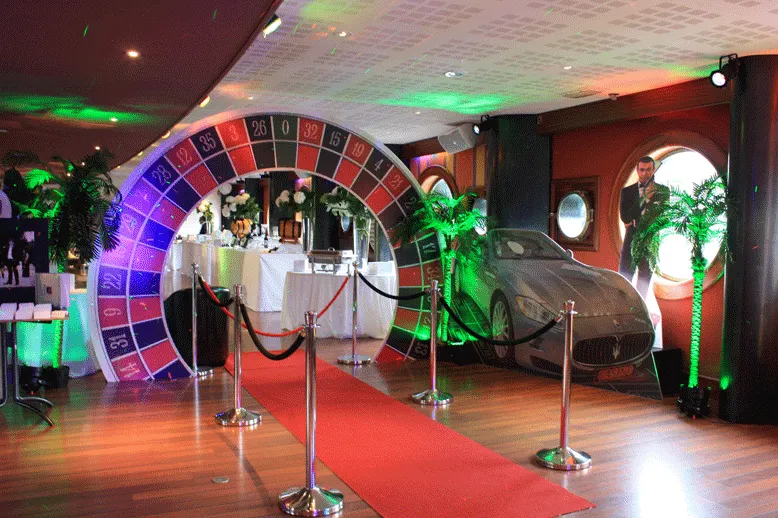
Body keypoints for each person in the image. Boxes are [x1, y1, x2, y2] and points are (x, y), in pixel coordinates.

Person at [618, 156, 669, 298]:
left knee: (644, 283)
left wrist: (650, 200)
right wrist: (644, 198)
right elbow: (625, 217)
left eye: (648, 170)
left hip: (651, 239)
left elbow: (663, 218)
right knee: (624, 279)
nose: (645, 173)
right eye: (642, 170)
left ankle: (640, 309)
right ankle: (623, 308)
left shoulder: (663, 191)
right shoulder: (627, 192)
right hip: (631, 238)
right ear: (637, 170)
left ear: (653, 170)